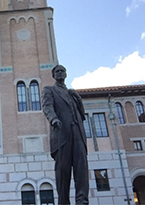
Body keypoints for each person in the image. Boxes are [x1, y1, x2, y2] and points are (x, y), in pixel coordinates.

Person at [42, 65, 89, 205]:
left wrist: (78, 98)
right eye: (57, 71)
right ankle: (64, 202)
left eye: (62, 71)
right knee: (63, 171)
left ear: (66, 74)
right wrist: (54, 119)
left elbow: (82, 114)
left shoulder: (71, 93)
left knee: (82, 170)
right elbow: (47, 106)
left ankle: (82, 201)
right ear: (53, 75)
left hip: (78, 133)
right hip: (62, 134)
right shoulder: (49, 90)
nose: (60, 73)